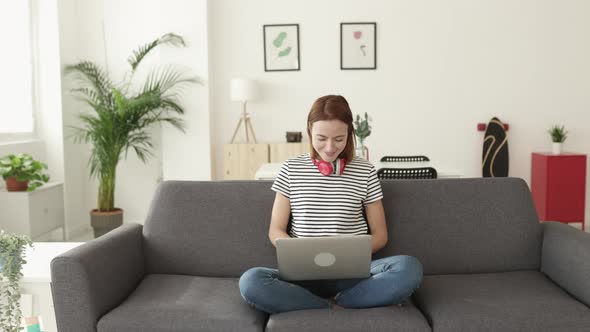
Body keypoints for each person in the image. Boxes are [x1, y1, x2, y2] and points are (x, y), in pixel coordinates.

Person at [239, 95, 423, 314]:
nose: (329, 147)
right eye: (321, 138)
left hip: (354, 276)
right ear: (309, 131)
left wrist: (350, 256)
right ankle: (331, 306)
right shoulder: (290, 169)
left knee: (409, 268)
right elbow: (276, 230)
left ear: (349, 134)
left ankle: (339, 300)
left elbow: (380, 234)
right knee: (251, 281)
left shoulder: (365, 171)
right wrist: (299, 256)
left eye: (338, 138)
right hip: (303, 275)